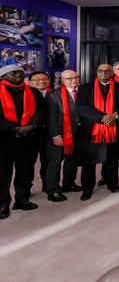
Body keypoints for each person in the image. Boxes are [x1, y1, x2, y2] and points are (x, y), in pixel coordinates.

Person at [0, 65, 48, 219]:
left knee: (25, 171)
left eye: (20, 72)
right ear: (3, 77)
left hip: (28, 138)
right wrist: (14, 129)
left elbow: (43, 109)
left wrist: (32, 126)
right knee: (3, 173)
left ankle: (22, 200)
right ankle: (2, 204)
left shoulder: (33, 92)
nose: (18, 74)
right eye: (13, 73)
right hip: (3, 139)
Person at [76, 64, 119, 200]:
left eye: (107, 71)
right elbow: (82, 107)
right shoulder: (85, 88)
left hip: (113, 128)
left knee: (111, 159)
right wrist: (103, 118)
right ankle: (87, 188)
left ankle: (112, 183)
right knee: (89, 162)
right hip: (91, 129)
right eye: (101, 71)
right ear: (97, 72)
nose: (103, 73)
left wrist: (114, 115)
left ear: (112, 73)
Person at [45, 69, 81, 202]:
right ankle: (53, 190)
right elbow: (51, 118)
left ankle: (69, 184)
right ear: (62, 80)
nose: (73, 80)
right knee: (55, 162)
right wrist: (55, 136)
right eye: (69, 78)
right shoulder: (53, 95)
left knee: (72, 161)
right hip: (60, 134)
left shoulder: (83, 92)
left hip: (78, 133)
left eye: (76, 77)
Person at [28, 71, 51, 192]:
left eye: (44, 79)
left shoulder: (55, 94)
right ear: (29, 82)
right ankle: (26, 188)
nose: (41, 81)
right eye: (37, 80)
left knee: (47, 161)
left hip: (49, 134)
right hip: (30, 134)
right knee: (28, 163)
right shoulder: (25, 95)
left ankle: (47, 185)